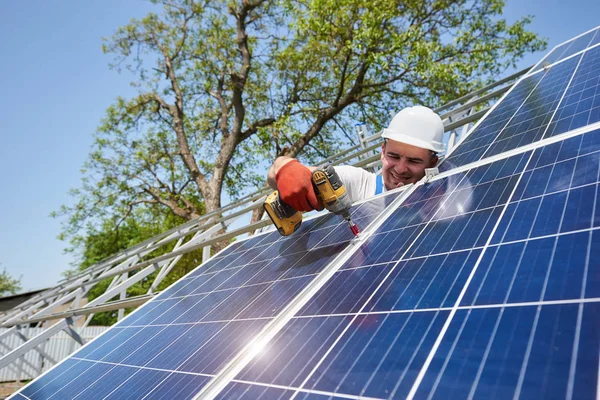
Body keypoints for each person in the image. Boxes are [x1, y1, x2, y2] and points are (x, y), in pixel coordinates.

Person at [267, 105, 445, 212]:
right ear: (383, 152)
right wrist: (286, 168)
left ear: (432, 163)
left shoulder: (444, 200)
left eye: (414, 161)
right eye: (394, 156)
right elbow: (279, 171)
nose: (400, 168)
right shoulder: (358, 184)